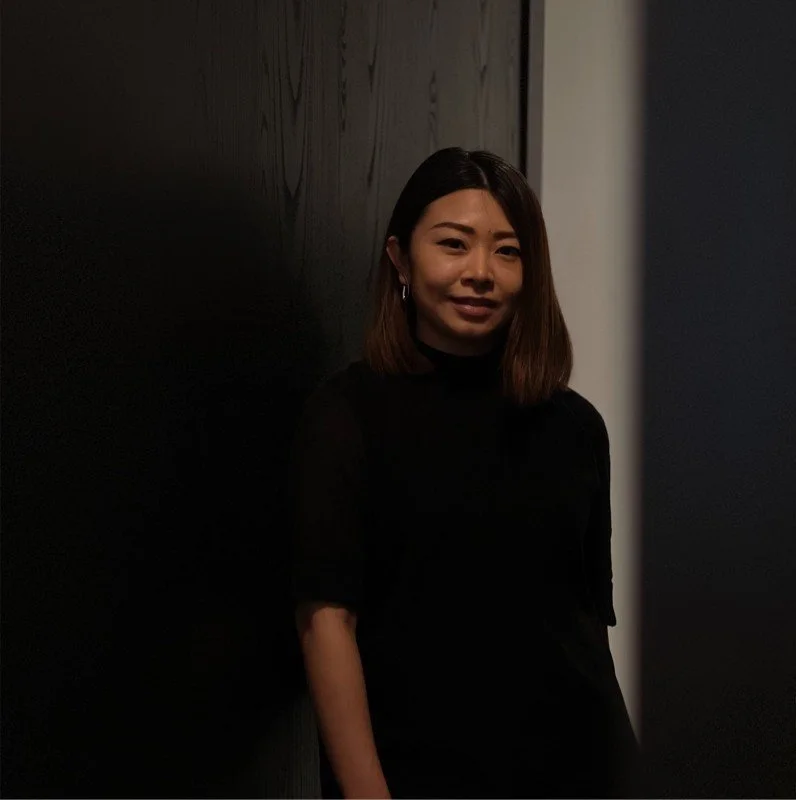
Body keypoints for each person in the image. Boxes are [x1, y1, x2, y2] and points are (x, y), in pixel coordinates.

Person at [289, 147, 639, 799]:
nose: (480, 272)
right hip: (417, 774)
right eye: (454, 244)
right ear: (400, 257)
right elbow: (326, 622)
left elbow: (585, 634)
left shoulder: (575, 426)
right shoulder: (345, 414)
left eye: (507, 252)